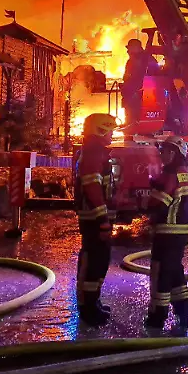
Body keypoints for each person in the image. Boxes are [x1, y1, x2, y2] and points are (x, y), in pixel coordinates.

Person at [144, 135, 188, 332]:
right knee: (174, 272)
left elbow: (157, 204)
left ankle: (157, 317)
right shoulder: (184, 174)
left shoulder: (170, 175)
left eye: (163, 151)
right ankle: (183, 309)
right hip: (179, 234)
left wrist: (151, 191)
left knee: (161, 274)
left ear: (173, 153)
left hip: (166, 233)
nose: (161, 154)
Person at [74, 113, 118, 326]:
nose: (112, 134)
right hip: (93, 219)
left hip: (96, 217)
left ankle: (94, 301)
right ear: (100, 130)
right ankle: (88, 308)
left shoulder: (96, 151)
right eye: (110, 130)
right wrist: (102, 220)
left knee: (100, 260)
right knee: (94, 262)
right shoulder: (93, 153)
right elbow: (92, 189)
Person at [122, 38, 158, 128]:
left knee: (134, 104)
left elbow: (155, 74)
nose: (128, 51)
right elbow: (126, 76)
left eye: (129, 48)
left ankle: (134, 121)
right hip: (135, 90)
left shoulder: (147, 60)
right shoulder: (131, 61)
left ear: (136, 48)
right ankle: (131, 121)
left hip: (144, 90)